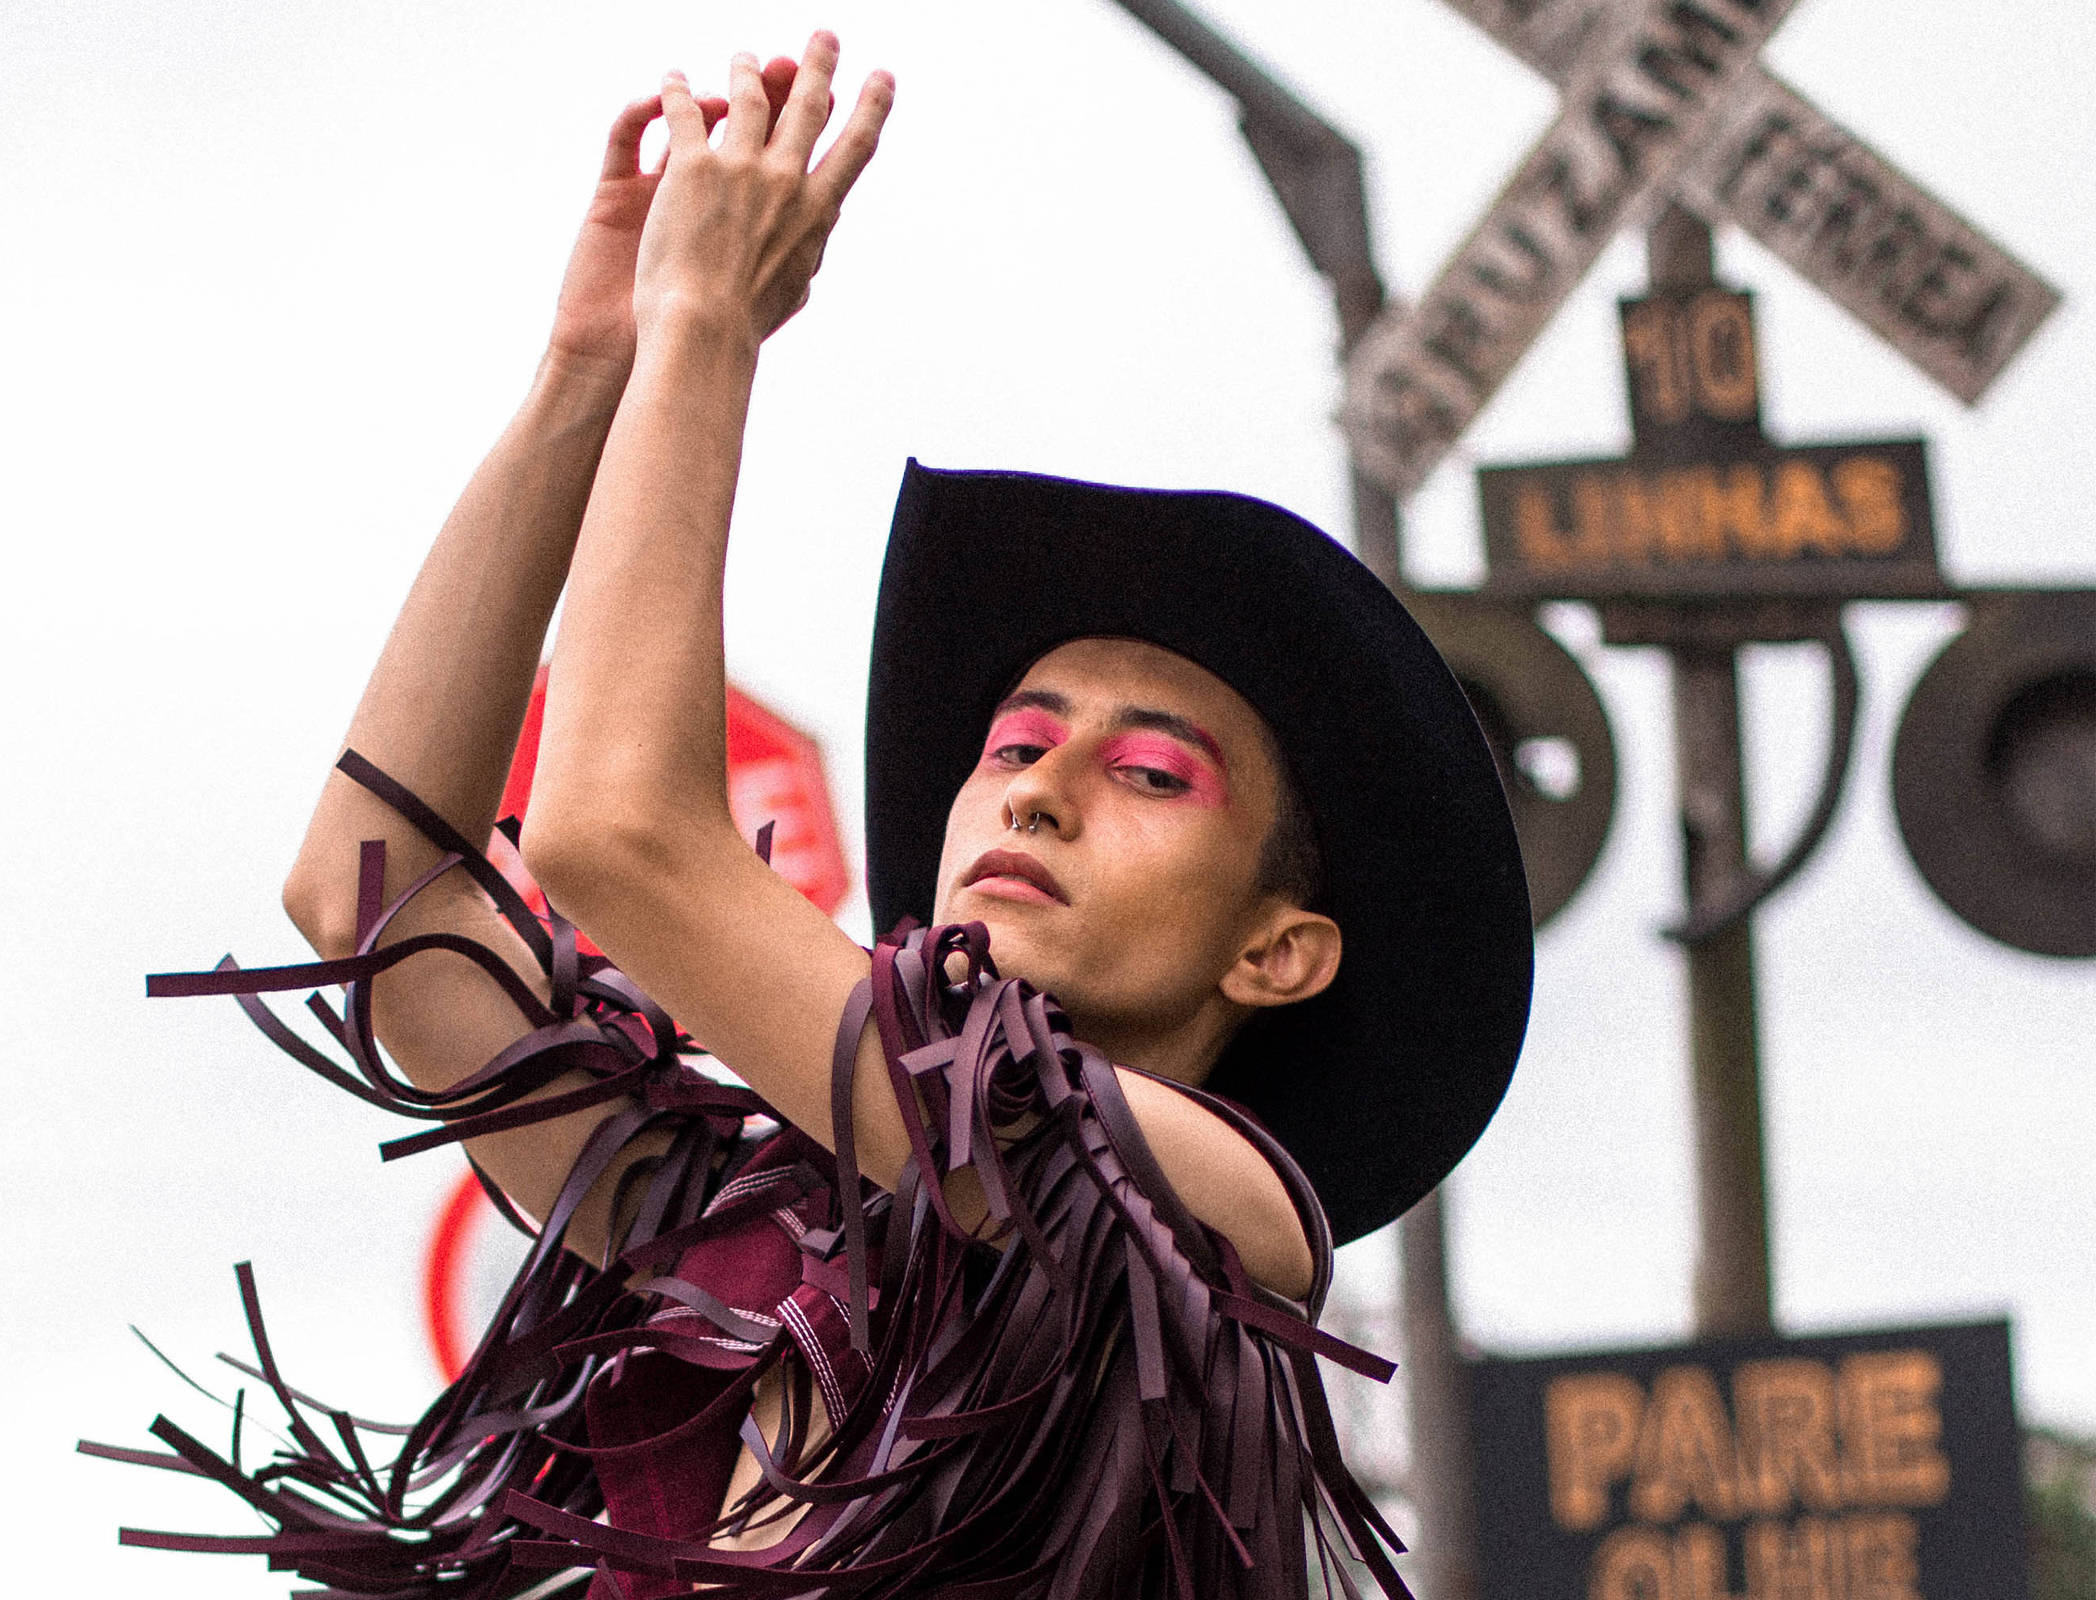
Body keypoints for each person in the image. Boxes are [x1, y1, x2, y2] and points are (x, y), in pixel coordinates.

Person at [84, 32, 1533, 1600]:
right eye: (1019, 742)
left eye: (1150, 773)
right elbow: (370, 907)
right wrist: (593, 369)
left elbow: (613, 834)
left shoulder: (1223, 1229)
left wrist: (708, 323)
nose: (1038, 784)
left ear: (1281, 951)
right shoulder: (754, 1225)